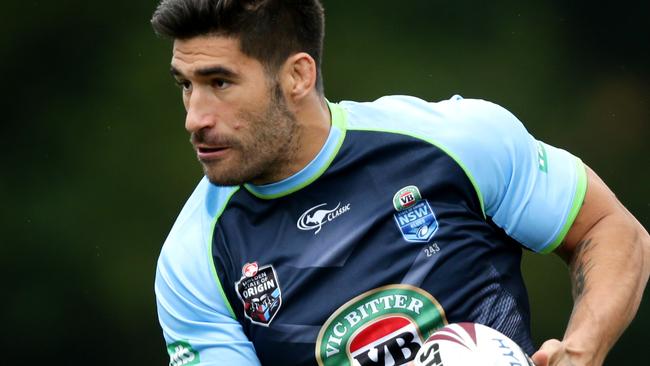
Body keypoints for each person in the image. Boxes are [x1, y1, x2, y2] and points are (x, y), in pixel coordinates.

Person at [150, 1, 650, 365]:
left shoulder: (453, 141)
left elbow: (609, 228)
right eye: (185, 86)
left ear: (297, 76)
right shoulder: (193, 259)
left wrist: (581, 352)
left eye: (220, 83)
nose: (195, 118)